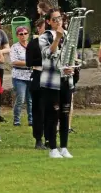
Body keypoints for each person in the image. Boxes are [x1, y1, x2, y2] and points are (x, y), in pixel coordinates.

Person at [39, 8, 74, 158]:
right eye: (54, 19)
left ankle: (64, 146)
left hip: (66, 80)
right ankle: (53, 147)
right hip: (51, 81)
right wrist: (57, 38)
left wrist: (71, 67)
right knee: (53, 114)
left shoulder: (67, 34)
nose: (58, 21)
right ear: (48, 21)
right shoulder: (44, 37)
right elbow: (48, 54)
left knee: (65, 114)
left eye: (60, 18)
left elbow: (72, 54)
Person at [26, 18, 49, 149]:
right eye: (43, 28)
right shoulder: (33, 44)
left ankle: (49, 137)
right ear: (39, 29)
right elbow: (29, 62)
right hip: (38, 76)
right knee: (38, 110)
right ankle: (38, 139)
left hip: (52, 77)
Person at [10, 26, 33, 127]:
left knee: (30, 99)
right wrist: (28, 62)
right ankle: (16, 120)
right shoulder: (14, 47)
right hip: (19, 76)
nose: (23, 35)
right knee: (21, 98)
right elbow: (14, 62)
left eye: (25, 33)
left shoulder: (32, 46)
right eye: (21, 34)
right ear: (17, 36)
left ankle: (31, 120)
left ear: (28, 34)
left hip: (31, 75)